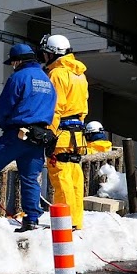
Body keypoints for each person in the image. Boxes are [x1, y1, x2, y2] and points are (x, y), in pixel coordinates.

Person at [0, 42, 56, 231]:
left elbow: (4, 106)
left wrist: (5, 124)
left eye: (13, 62)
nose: (12, 65)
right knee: (30, 178)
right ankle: (32, 219)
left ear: (18, 61)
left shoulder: (18, 78)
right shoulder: (46, 80)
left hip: (18, 134)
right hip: (39, 136)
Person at [41, 34, 90, 229]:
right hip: (76, 134)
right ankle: (76, 220)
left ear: (52, 53)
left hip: (60, 134)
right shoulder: (80, 74)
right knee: (75, 177)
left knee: (61, 179)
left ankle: (65, 222)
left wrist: (48, 133)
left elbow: (55, 108)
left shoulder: (57, 74)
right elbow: (83, 107)